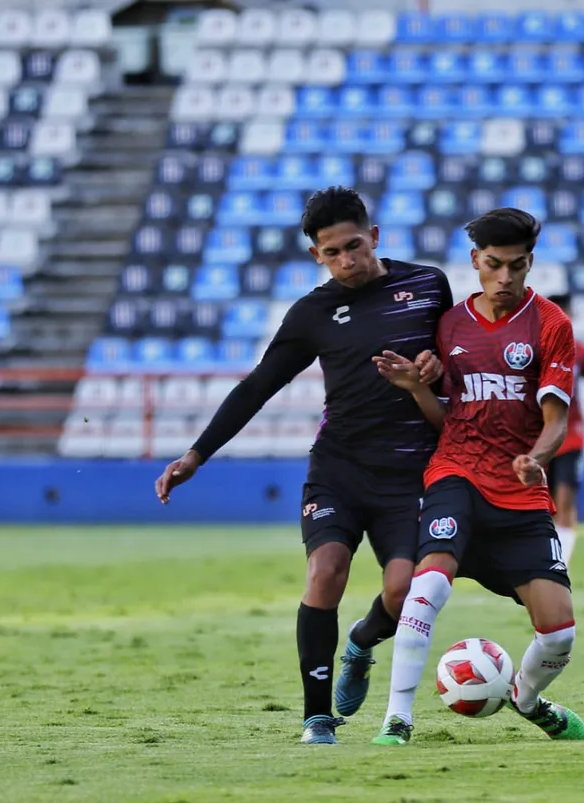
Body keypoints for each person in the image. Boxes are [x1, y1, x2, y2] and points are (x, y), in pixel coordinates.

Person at [153, 186, 453, 745]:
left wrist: (437, 369)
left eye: (354, 246)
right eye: (332, 252)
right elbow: (257, 386)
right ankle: (317, 718)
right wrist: (196, 454)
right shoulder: (313, 313)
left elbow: (456, 357)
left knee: (403, 592)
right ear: (316, 255)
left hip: (410, 472)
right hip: (340, 469)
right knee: (325, 571)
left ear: (375, 237)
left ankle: (361, 642)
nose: (346, 260)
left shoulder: (429, 285)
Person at [368, 208, 584, 746]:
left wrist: (536, 457)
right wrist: (417, 388)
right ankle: (397, 718)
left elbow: (556, 422)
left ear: (530, 263)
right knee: (427, 587)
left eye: (517, 265)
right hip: (457, 472)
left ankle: (527, 700)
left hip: (520, 491)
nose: (505, 277)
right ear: (475, 261)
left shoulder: (551, 325)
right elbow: (447, 417)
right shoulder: (450, 325)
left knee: (560, 633)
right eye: (494, 264)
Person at [544, 294, 584, 567]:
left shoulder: (582, 352)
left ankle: (561, 562)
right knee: (542, 503)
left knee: (565, 500)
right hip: (540, 438)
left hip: (570, 435)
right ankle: (545, 556)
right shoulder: (534, 349)